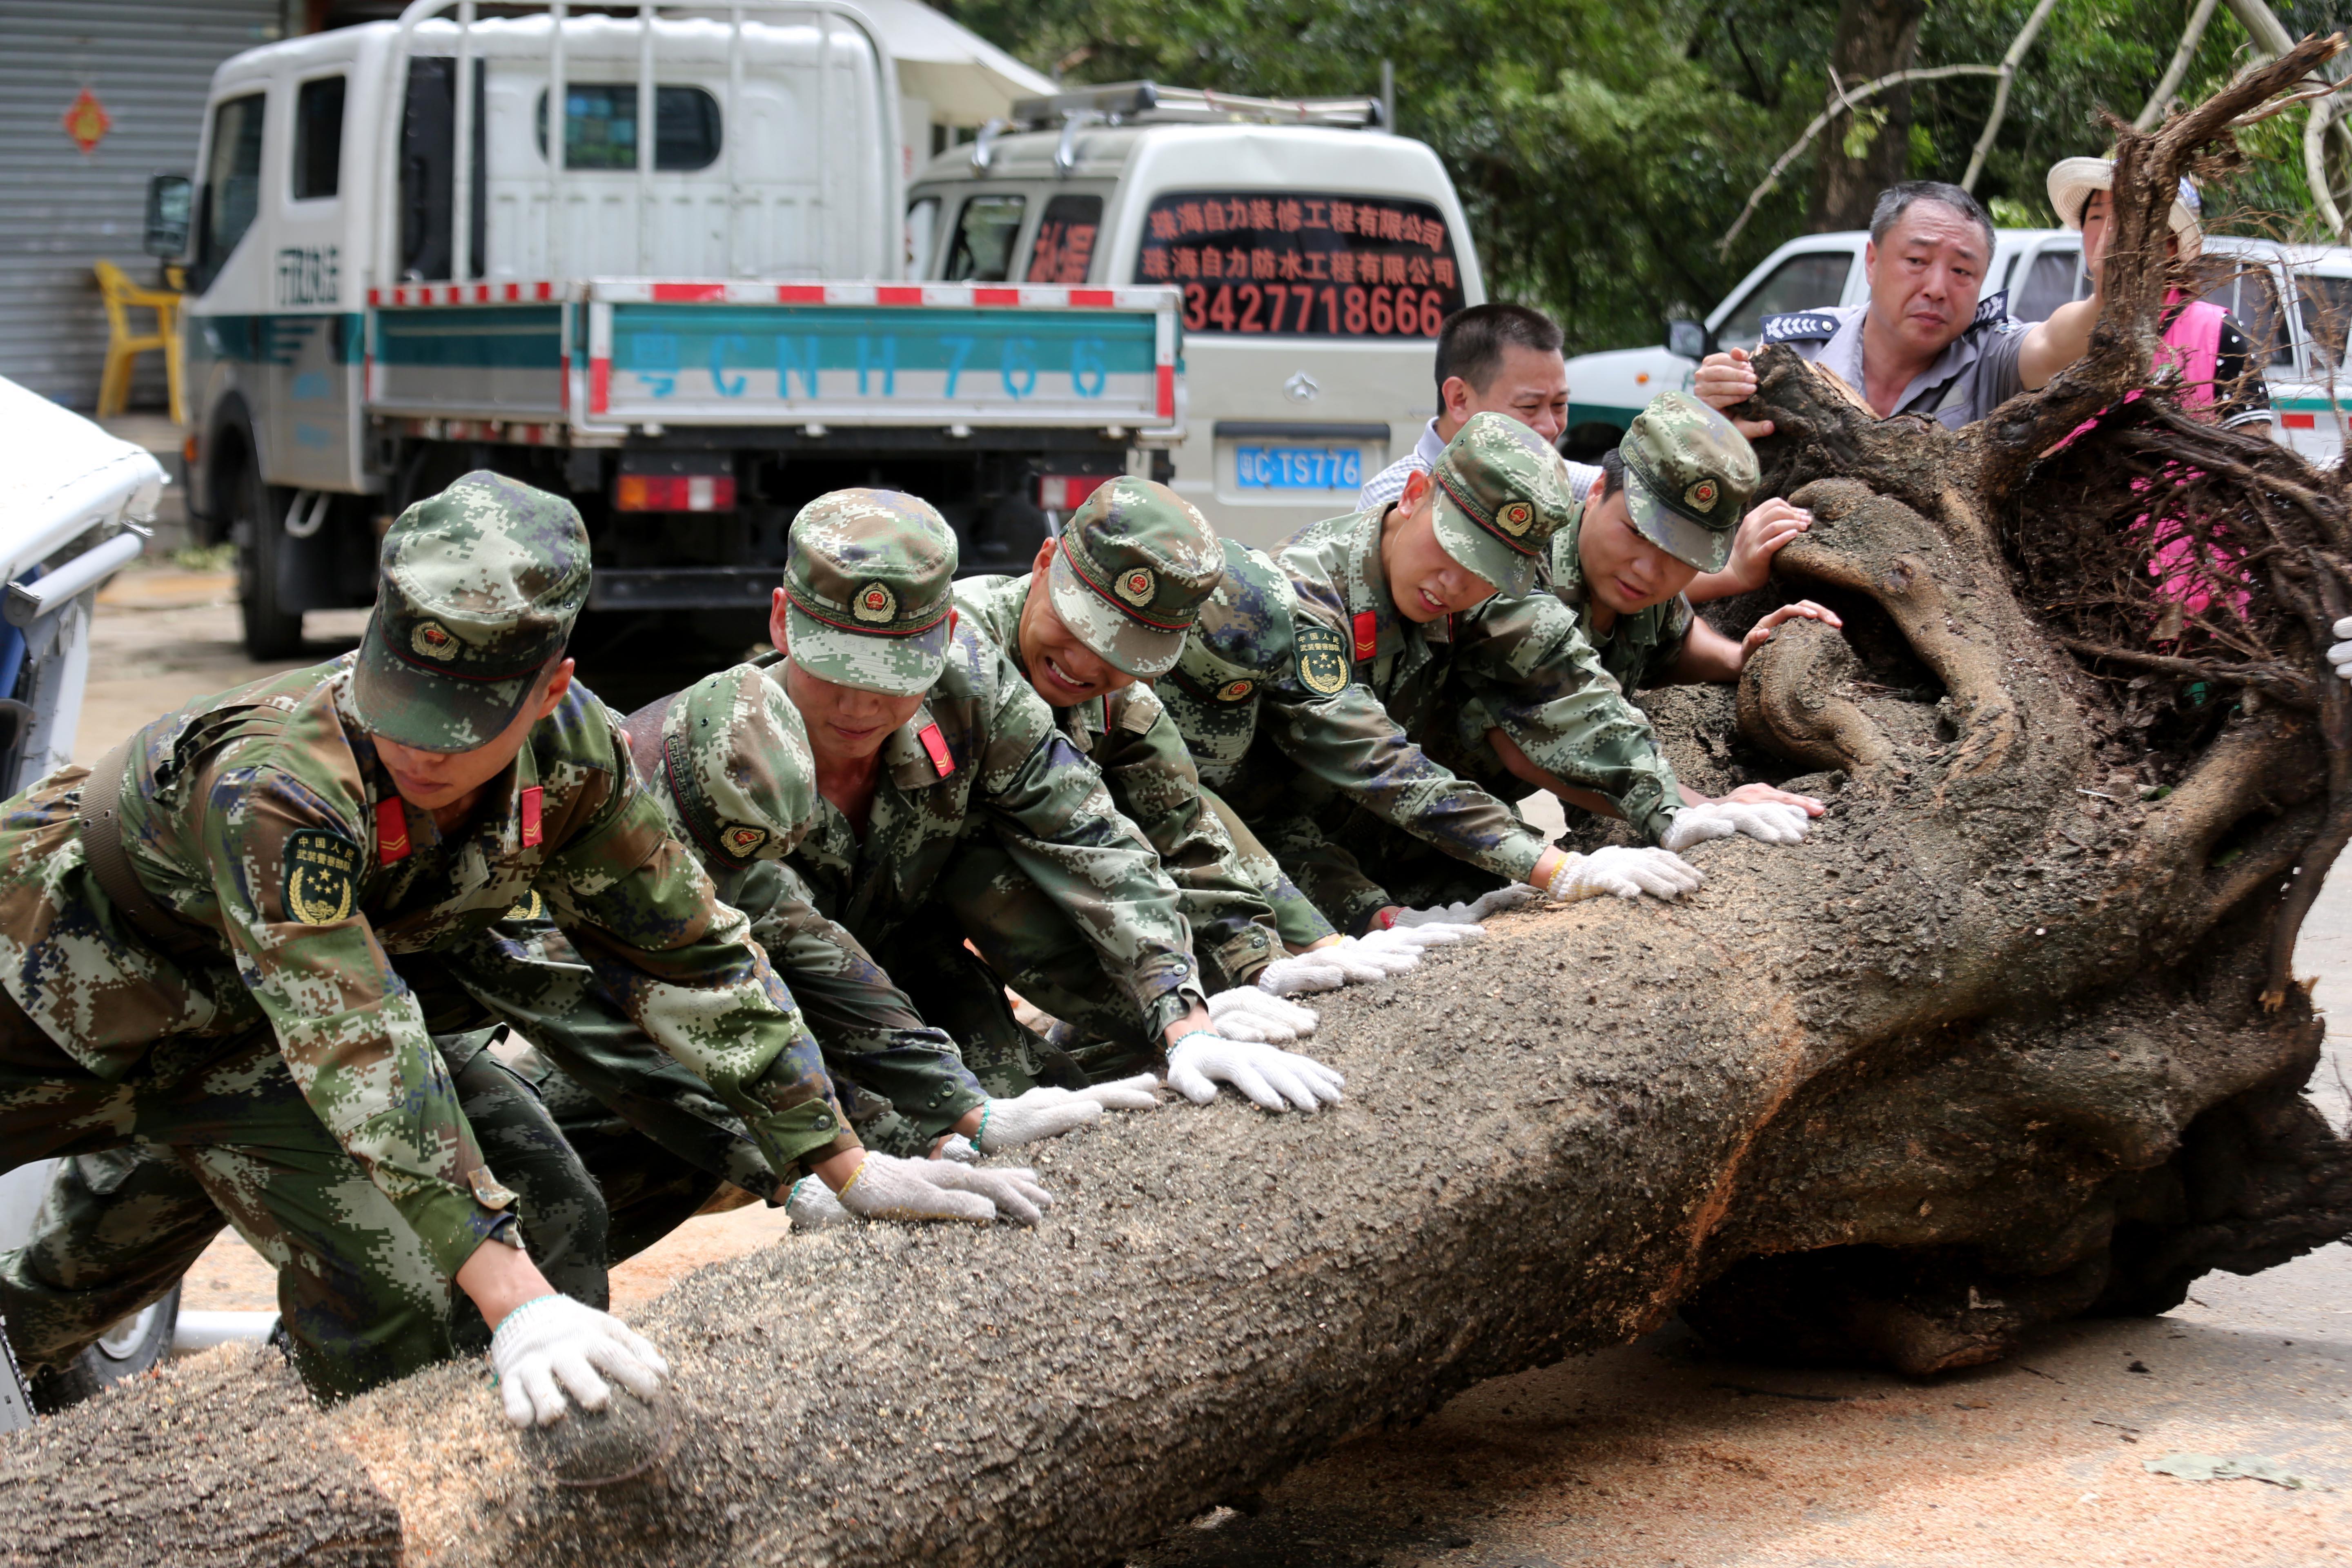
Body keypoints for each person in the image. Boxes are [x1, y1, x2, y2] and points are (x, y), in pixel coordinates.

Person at [1, 663, 1071, 1397]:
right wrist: (785, 1174)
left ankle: (394, 1467)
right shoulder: (298, 781)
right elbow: (543, 1036)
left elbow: (742, 965)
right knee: (69, 1291)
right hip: (119, 1002)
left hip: (294, 1047)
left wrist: (900, 1136)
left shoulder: (603, 790)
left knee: (486, 1234)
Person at [760, 488, 1345, 1118]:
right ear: (781, 623)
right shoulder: (717, 749)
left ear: (946, 636)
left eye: (894, 670)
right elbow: (728, 984)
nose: (860, 704)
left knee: (1044, 1102)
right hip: (769, 997)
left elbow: (1103, 837)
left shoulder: (975, 685)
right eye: (838, 665)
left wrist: (1188, 1014)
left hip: (912, 947)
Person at [950, 475, 1482, 1009]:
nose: (1087, 663)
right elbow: (1064, 861)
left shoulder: (1127, 704)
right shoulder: (957, 658)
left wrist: (1286, 955)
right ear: (1044, 562)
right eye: (1077, 623)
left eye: (1124, 650)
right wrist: (1175, 1011)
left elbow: (1187, 827)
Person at [1373, 301, 1803, 612]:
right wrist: (1735, 576)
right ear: (1459, 398)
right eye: (1529, 407)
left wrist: (1712, 436)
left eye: (1559, 405)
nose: (1549, 427)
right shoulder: (1393, 498)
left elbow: (1648, 489)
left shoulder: (1558, 479)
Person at [1694, 180, 2023, 433]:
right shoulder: (1796, 353)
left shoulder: (1996, 358)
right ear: (1872, 261)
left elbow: (2056, 344)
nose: (1937, 289)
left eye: (1962, 272)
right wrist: (1712, 415)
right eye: (1917, 261)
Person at [2018, 159, 2273, 429]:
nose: (2109, 231)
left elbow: (2253, 457)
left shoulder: (2217, 333)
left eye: (2127, 216)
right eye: (2096, 217)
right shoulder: (2068, 330)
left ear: (2170, 244)